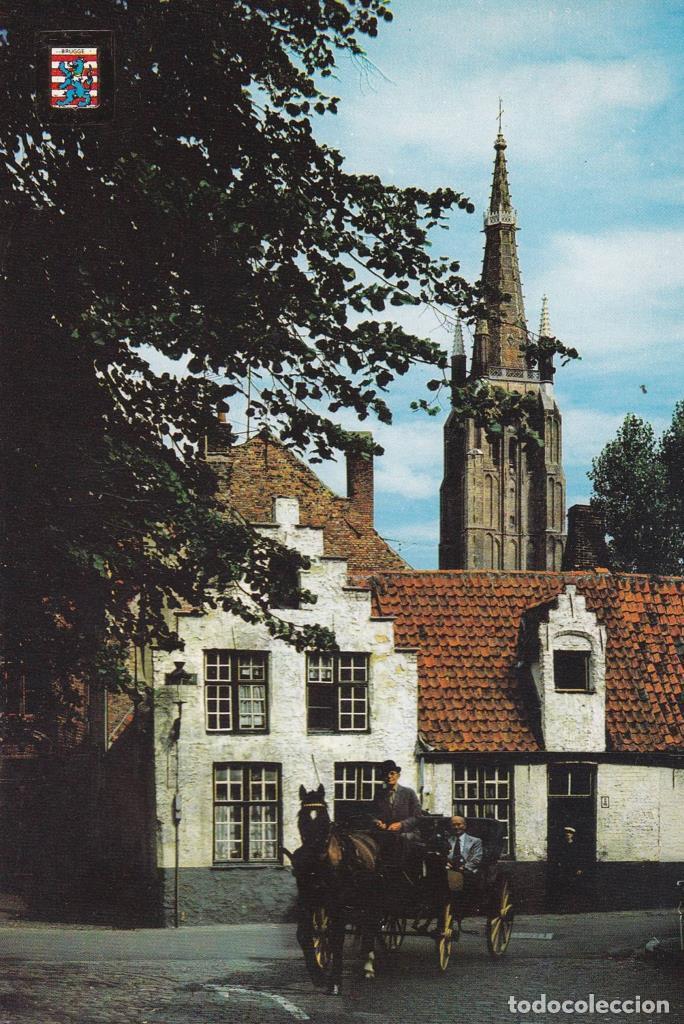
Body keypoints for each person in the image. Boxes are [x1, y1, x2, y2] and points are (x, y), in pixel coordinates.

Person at [371, 760, 422, 835]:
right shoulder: (379, 794)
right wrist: (377, 822)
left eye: (392, 773)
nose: (389, 776)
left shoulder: (409, 793)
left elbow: (417, 816)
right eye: (385, 773)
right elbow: (373, 814)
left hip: (407, 833)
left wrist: (401, 824)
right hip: (385, 833)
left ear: (398, 776)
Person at [446, 815, 483, 894]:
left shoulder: (475, 841)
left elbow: (476, 859)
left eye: (459, 824)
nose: (456, 827)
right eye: (453, 825)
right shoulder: (447, 840)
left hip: (468, 872)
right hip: (450, 871)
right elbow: (444, 856)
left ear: (465, 826)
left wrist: (463, 868)